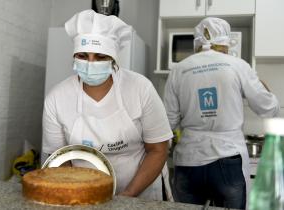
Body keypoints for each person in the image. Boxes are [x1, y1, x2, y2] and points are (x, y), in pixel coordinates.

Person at [41, 10, 173, 201]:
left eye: (100, 56)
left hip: (141, 192)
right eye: (83, 55)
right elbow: (58, 158)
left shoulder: (140, 88)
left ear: (113, 60)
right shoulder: (57, 98)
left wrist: (128, 196)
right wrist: (78, 194)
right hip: (83, 194)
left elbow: (158, 150)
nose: (90, 64)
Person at [164, 17, 280, 209]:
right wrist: (267, 93)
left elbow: (168, 121)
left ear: (198, 41)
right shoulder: (237, 65)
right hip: (227, 158)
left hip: (188, 160)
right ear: (225, 40)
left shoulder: (178, 69)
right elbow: (267, 107)